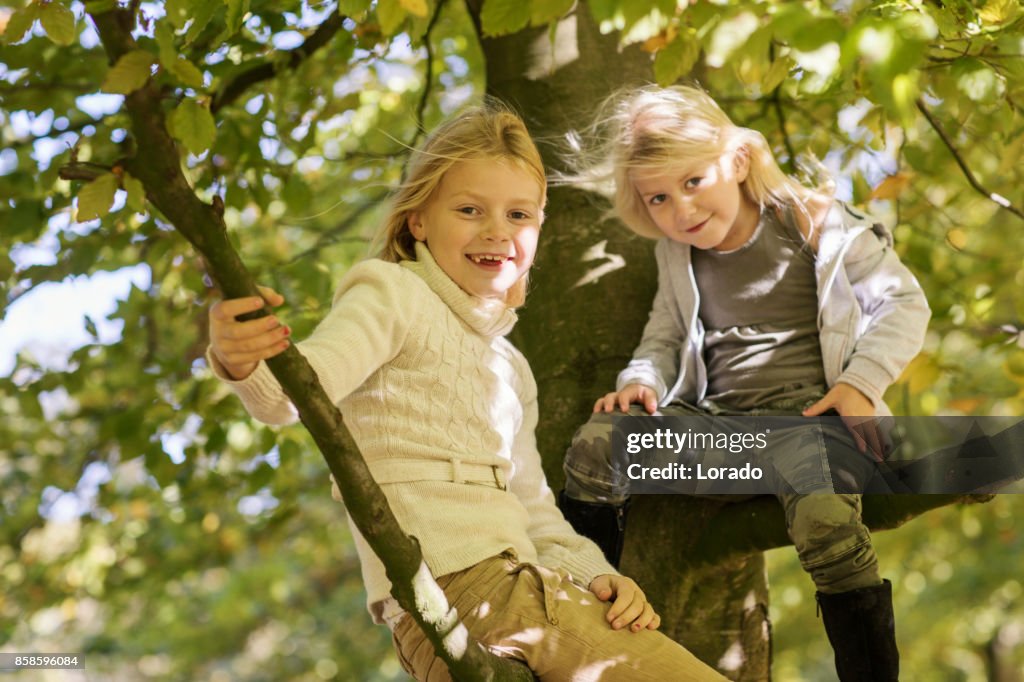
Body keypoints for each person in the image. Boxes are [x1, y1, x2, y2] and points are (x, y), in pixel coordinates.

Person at [205, 103, 725, 681]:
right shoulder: (392, 293)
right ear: (418, 221)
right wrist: (240, 356)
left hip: (510, 595)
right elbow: (298, 393)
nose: (497, 231)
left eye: (519, 214)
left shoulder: (509, 366)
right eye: (470, 209)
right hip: (463, 591)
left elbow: (533, 509)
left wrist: (595, 574)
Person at [558, 84, 930, 681]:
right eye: (658, 197)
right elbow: (664, 333)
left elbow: (904, 304)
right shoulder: (676, 254)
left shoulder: (816, 223)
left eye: (692, 182)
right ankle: (576, 609)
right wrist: (640, 378)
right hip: (721, 432)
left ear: (734, 161)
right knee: (597, 445)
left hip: (808, 425)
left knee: (826, 525)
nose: (680, 210)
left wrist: (861, 384)